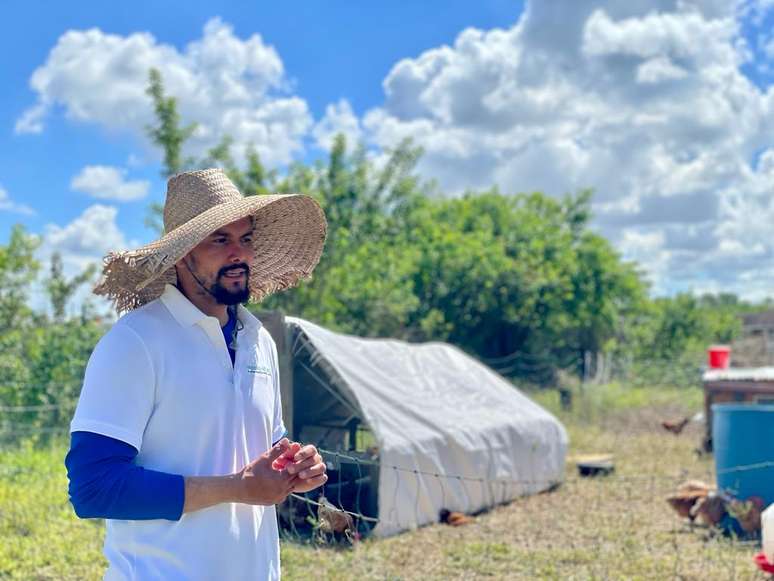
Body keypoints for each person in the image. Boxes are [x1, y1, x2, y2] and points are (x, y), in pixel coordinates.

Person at [65, 168, 328, 580]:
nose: (238, 253)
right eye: (219, 239)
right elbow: (92, 487)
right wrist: (237, 488)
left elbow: (265, 448)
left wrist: (297, 467)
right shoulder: (136, 342)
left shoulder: (259, 340)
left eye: (245, 239)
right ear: (183, 253)